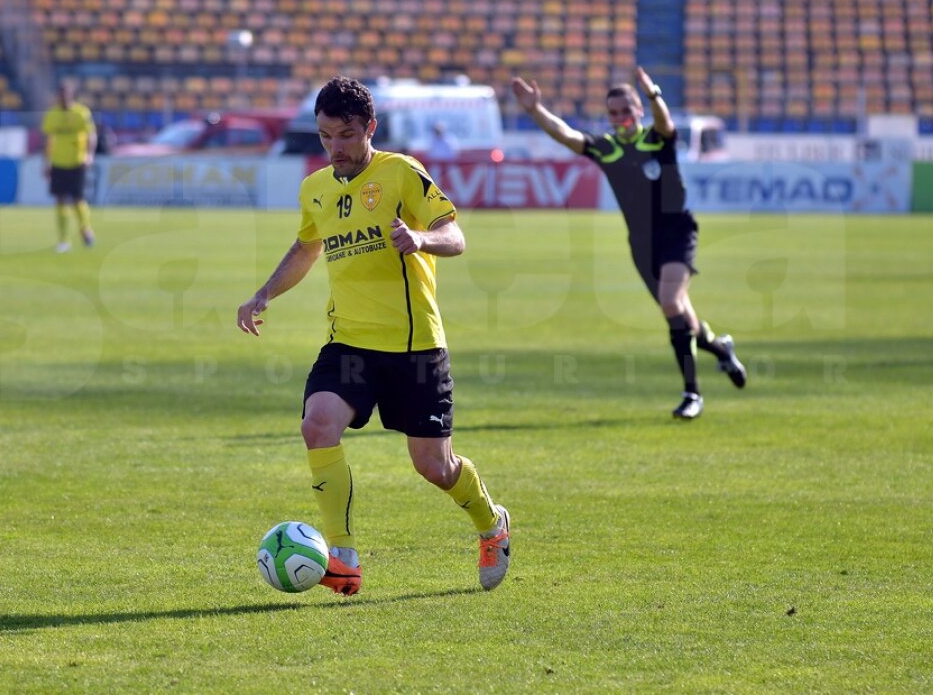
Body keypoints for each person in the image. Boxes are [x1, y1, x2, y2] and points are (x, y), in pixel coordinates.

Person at [236, 76, 510, 596]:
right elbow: (306, 249)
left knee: (434, 466)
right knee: (317, 425)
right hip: (350, 343)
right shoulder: (314, 189)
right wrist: (264, 294)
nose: (334, 148)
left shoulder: (402, 173)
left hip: (414, 347)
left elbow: (455, 235)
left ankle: (492, 524)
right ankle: (342, 555)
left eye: (344, 135)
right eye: (324, 137)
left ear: (369, 129)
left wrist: (422, 238)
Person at [511, 67, 747, 420]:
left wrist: (654, 96)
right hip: (641, 243)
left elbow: (666, 124)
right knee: (682, 318)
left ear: (639, 111)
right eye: (614, 112)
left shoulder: (657, 139)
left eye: (626, 110)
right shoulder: (606, 149)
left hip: (677, 233)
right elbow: (566, 135)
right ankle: (720, 348)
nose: (620, 117)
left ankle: (691, 393)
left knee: (671, 302)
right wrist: (535, 111)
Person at [41, 81, 97, 253]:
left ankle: (85, 228)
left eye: (67, 93)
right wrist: (47, 162)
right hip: (58, 162)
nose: (64, 97)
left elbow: (91, 135)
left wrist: (89, 155)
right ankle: (64, 240)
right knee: (60, 200)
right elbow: (49, 140)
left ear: (72, 95)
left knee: (77, 199)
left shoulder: (81, 112)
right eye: (61, 94)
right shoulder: (52, 114)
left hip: (76, 161)